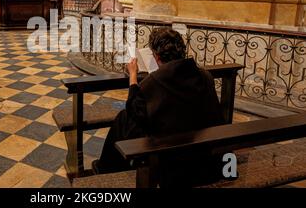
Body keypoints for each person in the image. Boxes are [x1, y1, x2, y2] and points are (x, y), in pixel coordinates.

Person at [93, 28, 226, 187]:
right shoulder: (204, 75)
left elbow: (135, 112)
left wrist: (133, 77)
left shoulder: (155, 80)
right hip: (205, 153)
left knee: (124, 119)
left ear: (156, 56)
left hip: (173, 160)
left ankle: (107, 168)